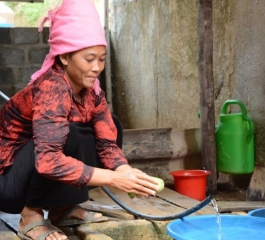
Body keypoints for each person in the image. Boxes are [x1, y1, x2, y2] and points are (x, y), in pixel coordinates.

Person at [0, 0, 159, 239]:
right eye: (89, 59)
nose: (97, 67)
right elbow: (48, 161)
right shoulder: (51, 89)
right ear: (64, 57)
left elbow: (107, 143)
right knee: (69, 134)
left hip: (35, 171)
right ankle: (30, 217)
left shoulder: (93, 93)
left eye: (101, 59)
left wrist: (127, 173)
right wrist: (115, 179)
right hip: (9, 183)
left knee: (112, 124)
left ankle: (62, 209)